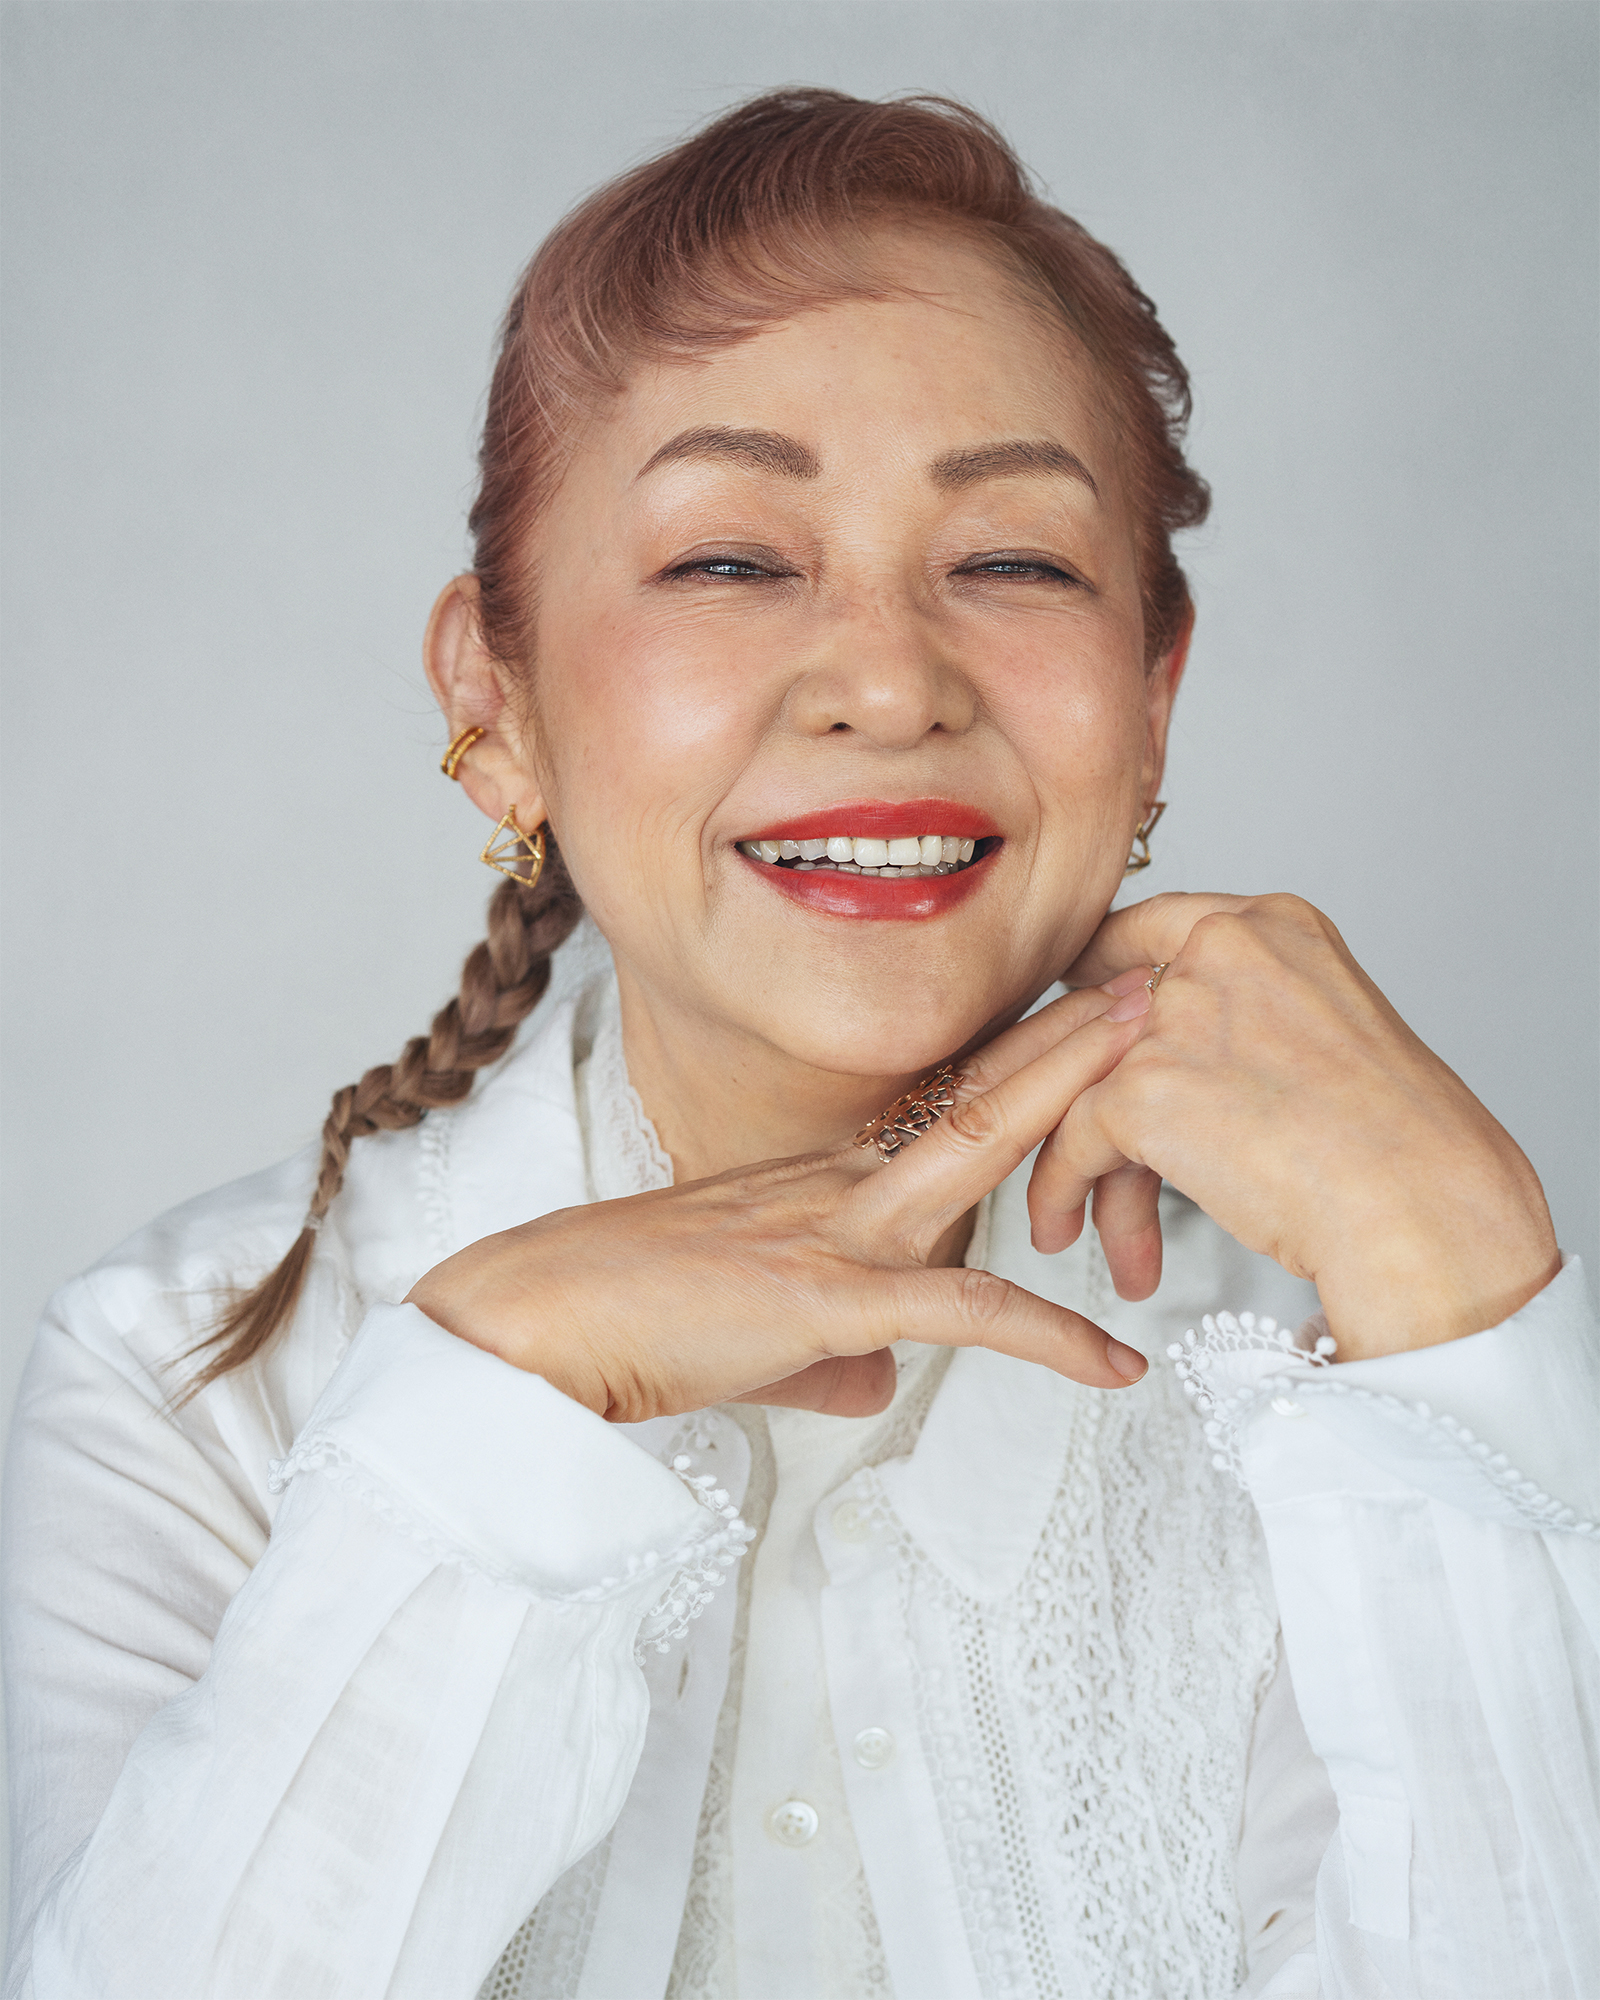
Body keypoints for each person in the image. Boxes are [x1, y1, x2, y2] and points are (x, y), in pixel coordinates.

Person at [3, 86, 1595, 2000]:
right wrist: (502, 1409)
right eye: (732, 560)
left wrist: (1474, 1319)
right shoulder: (188, 1377)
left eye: (1012, 561)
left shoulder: (1351, 1382)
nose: (887, 679)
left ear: (1152, 701)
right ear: (492, 700)